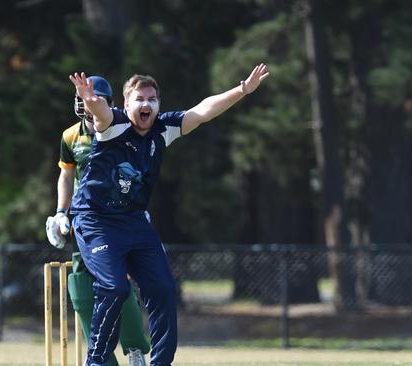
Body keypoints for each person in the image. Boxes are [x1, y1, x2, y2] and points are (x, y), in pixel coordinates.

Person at [68, 64, 269, 366]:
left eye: (152, 99)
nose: (146, 104)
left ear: (158, 104)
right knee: (114, 287)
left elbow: (203, 111)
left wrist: (242, 90)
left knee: (162, 289)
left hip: (134, 221)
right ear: (126, 104)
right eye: (139, 99)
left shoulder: (163, 128)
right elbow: (101, 113)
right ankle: (95, 361)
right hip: (96, 221)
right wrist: (90, 101)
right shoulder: (114, 124)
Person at [46, 76, 150, 366]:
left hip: (120, 217)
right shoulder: (70, 137)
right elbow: (66, 175)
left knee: (120, 280)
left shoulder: (123, 130)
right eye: (83, 99)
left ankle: (134, 349)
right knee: (81, 281)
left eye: (96, 99)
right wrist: (59, 213)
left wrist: (140, 207)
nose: (89, 105)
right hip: (88, 220)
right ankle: (101, 356)